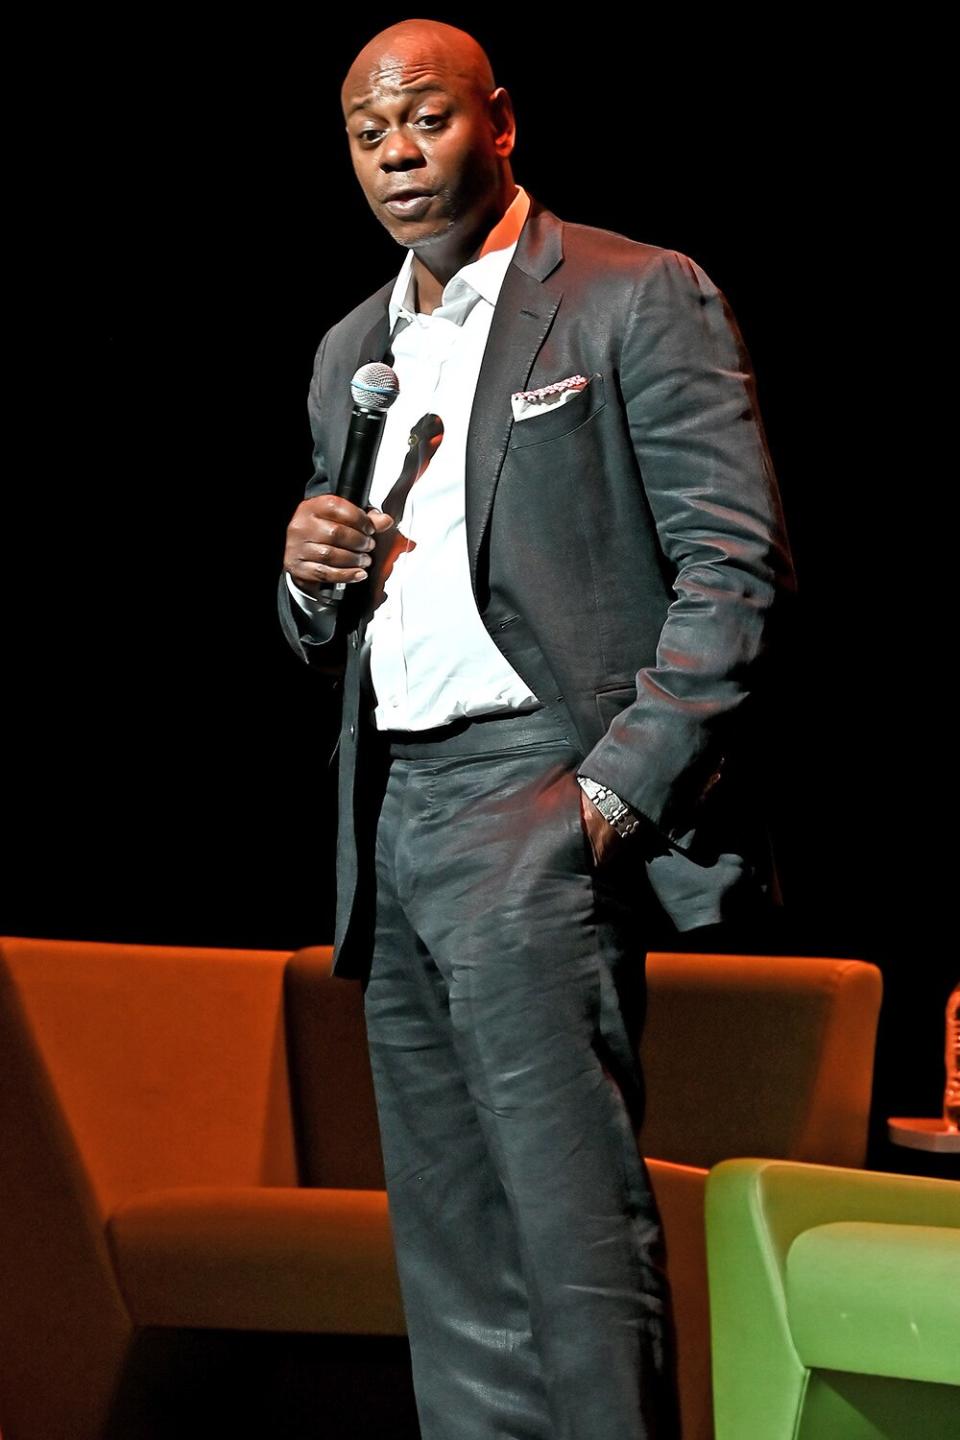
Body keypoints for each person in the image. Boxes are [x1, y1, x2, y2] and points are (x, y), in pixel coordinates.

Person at [279, 18, 795, 1440]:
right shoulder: (351, 351)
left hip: (537, 795)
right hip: (393, 812)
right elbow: (338, 625)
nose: (396, 152)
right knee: (449, 1255)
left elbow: (735, 569)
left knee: (569, 1227)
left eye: (426, 120)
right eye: (368, 132)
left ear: (499, 121)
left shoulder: (632, 294)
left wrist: (608, 802)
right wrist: (303, 578)